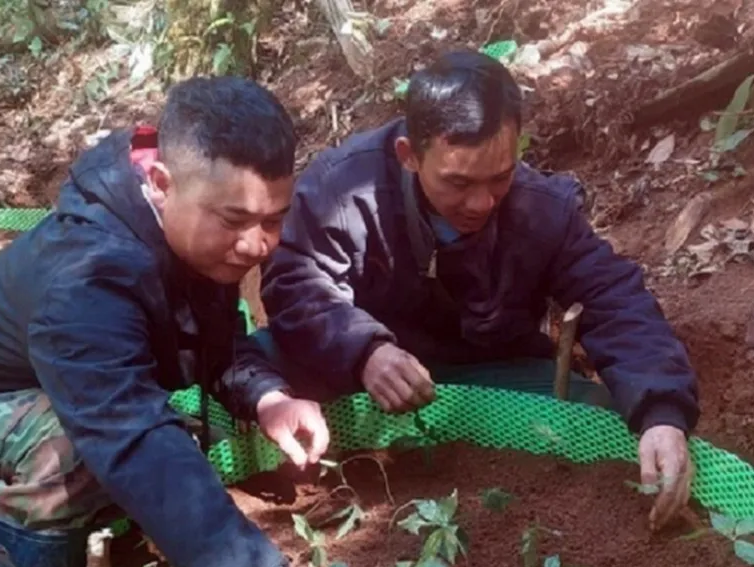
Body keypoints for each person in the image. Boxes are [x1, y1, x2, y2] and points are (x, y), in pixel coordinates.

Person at [0, 76, 440, 567]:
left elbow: (214, 345)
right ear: (160, 183)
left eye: (274, 219)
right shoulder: (85, 274)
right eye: (235, 220)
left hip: (45, 397)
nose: (257, 245)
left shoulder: (185, 236)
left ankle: (80, 534)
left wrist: (267, 398)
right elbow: (128, 434)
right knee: (77, 449)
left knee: (149, 439)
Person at [259, 50, 700, 531]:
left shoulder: (541, 209)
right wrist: (365, 350)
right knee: (255, 376)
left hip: (490, 373)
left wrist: (661, 412)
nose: (481, 203)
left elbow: (614, 298)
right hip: (368, 372)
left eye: (500, 177)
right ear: (409, 155)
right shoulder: (343, 189)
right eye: (458, 182)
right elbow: (295, 283)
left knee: (607, 420)